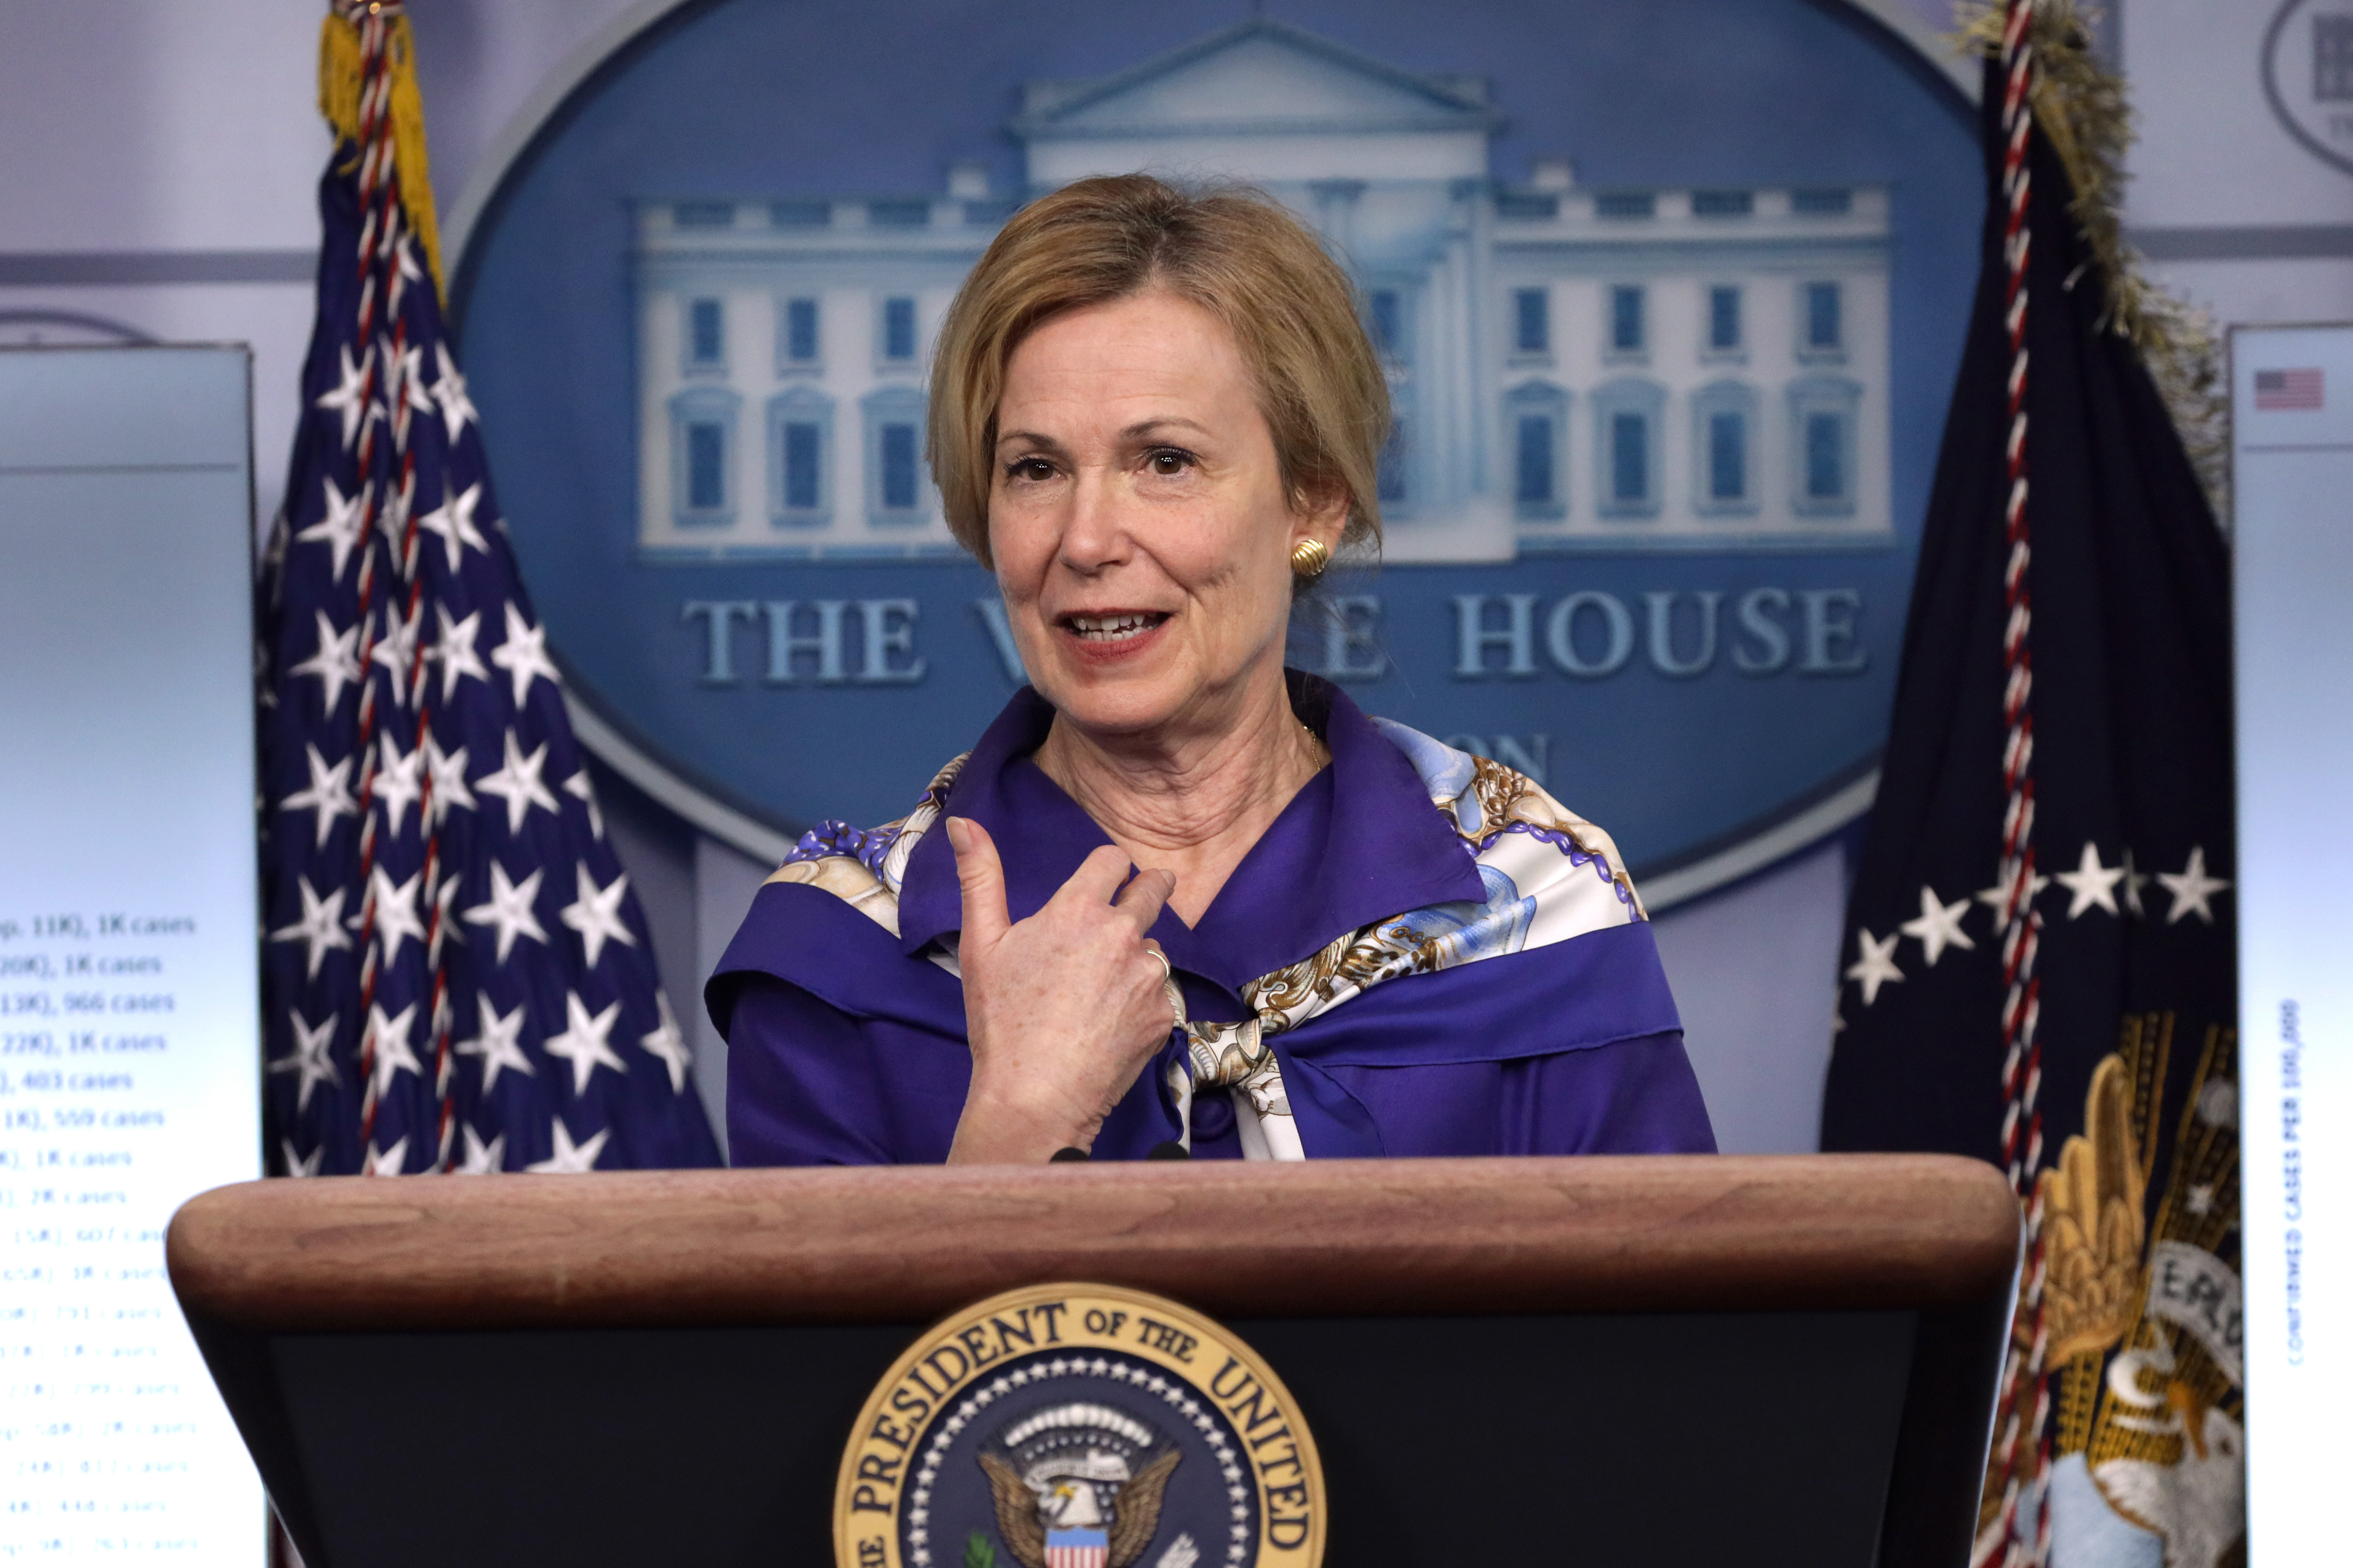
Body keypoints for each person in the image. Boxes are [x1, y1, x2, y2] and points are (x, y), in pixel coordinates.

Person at [708, 174, 1715, 1165]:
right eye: (1035, 469)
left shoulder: (1533, 904)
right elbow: (847, 1343)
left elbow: (1652, 1332)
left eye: (1165, 462)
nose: (1086, 538)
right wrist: (1018, 1119)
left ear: (1313, 504)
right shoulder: (842, 951)